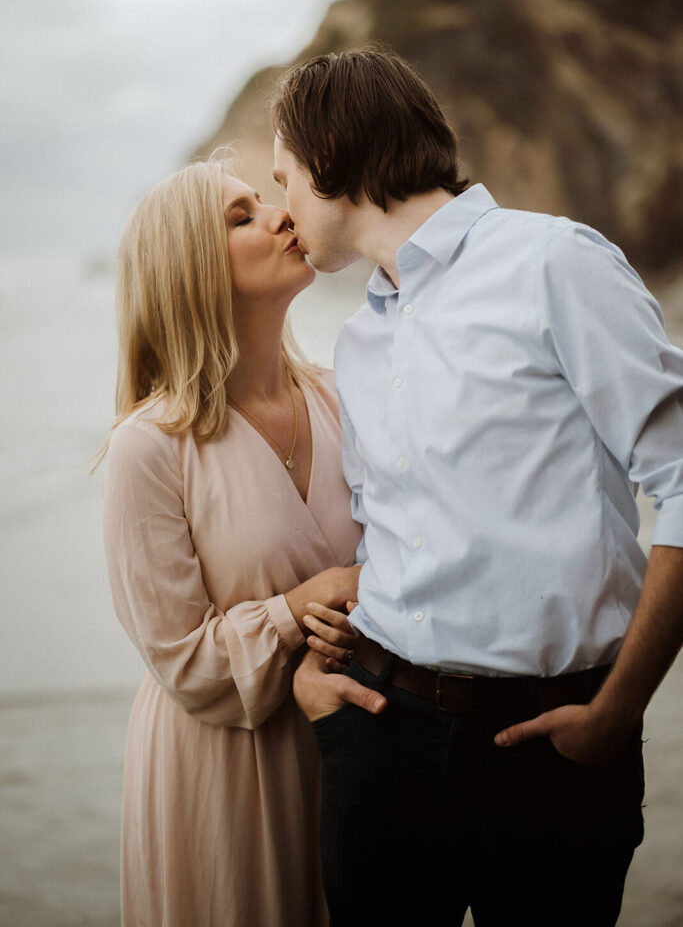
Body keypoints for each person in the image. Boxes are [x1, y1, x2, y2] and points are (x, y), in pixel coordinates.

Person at [270, 48, 683, 927]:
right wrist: (317, 676)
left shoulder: (552, 264)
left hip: (551, 746)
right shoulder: (359, 342)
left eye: (284, 179)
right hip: (378, 736)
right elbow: (390, 531)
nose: (280, 210)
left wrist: (617, 711)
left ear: (334, 147)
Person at [101, 154, 362, 927]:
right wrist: (297, 608)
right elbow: (178, 657)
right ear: (191, 271)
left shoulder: (340, 396)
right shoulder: (149, 445)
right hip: (226, 763)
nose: (284, 215)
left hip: (352, 741)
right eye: (240, 217)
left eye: (265, 200)